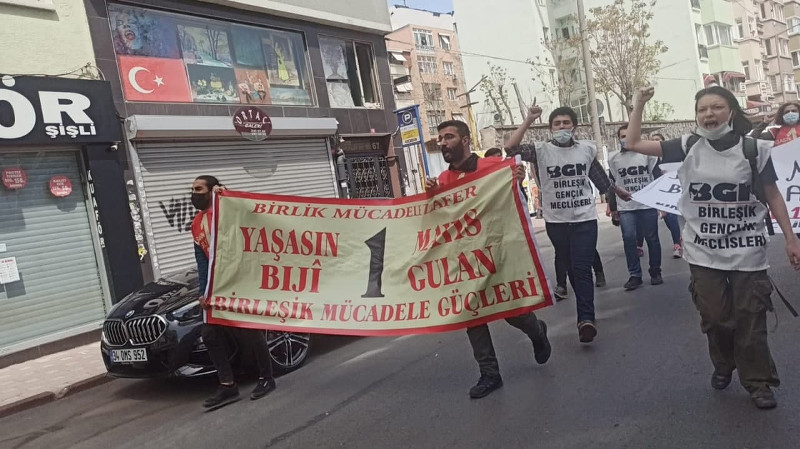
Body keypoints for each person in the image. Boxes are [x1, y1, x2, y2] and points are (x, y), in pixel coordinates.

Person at [625, 85, 800, 409]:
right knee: (716, 317)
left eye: (716, 107)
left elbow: (773, 195)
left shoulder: (755, 149)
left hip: (747, 250)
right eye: (702, 109)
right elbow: (633, 143)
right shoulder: (687, 146)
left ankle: (759, 382)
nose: (709, 114)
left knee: (750, 318)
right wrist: (639, 104)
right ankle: (724, 362)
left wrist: (791, 239)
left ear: (730, 111)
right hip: (703, 251)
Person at [425, 120, 551, 399]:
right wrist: (431, 196)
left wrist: (516, 178)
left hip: (496, 256)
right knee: (473, 317)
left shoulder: (493, 167)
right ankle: (489, 373)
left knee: (512, 312)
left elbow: (511, 201)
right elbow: (438, 221)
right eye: (440, 138)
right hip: (465, 262)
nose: (443, 143)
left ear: (465, 140)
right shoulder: (443, 181)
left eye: (449, 137)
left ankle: (537, 332)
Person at [505, 105, 631, 343]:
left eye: (566, 123)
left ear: (574, 126)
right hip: (556, 222)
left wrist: (618, 192)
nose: (561, 127)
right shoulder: (541, 150)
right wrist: (529, 119)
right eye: (557, 124)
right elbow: (511, 148)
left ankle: (586, 319)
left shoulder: (586, 149)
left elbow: (600, 179)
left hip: (584, 219)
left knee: (581, 268)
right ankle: (585, 311)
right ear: (551, 128)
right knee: (571, 268)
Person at [191, 175, 277, 408]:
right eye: (192, 189)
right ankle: (228, 385)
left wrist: (226, 194)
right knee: (210, 334)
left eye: (199, 189)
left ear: (212, 190)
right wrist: (204, 291)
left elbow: (249, 214)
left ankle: (267, 378)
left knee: (249, 330)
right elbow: (202, 260)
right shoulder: (196, 224)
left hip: (241, 279)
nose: (194, 194)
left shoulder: (227, 211)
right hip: (219, 285)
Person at [607, 125, 663, 290]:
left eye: (629, 135)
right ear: (618, 139)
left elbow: (658, 179)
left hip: (647, 205)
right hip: (626, 207)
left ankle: (655, 271)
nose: (626, 139)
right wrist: (613, 207)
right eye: (622, 136)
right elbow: (611, 183)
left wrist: (661, 203)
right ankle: (635, 275)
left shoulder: (649, 156)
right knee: (629, 238)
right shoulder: (613, 158)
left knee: (652, 238)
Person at [651, 133, 683, 258]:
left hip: (674, 189)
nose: (655, 142)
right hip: (660, 192)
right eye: (652, 140)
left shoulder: (672, 156)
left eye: (657, 140)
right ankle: (678, 237)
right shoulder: (650, 160)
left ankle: (677, 245)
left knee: (671, 216)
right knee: (667, 218)